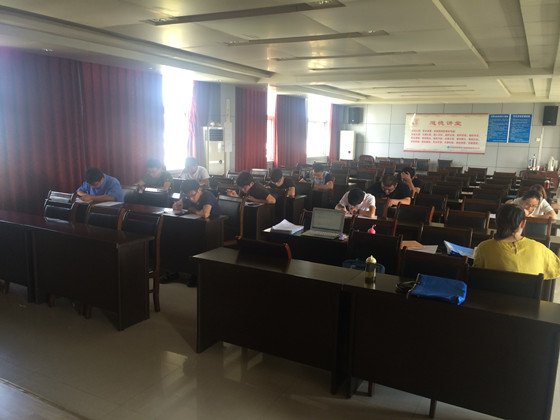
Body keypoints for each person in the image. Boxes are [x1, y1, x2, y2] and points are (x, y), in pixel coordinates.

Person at [473, 203, 560, 279]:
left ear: (496, 222)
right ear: (523, 223)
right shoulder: (539, 249)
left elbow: (476, 276)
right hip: (527, 293)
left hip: (492, 293)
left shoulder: (483, 248)